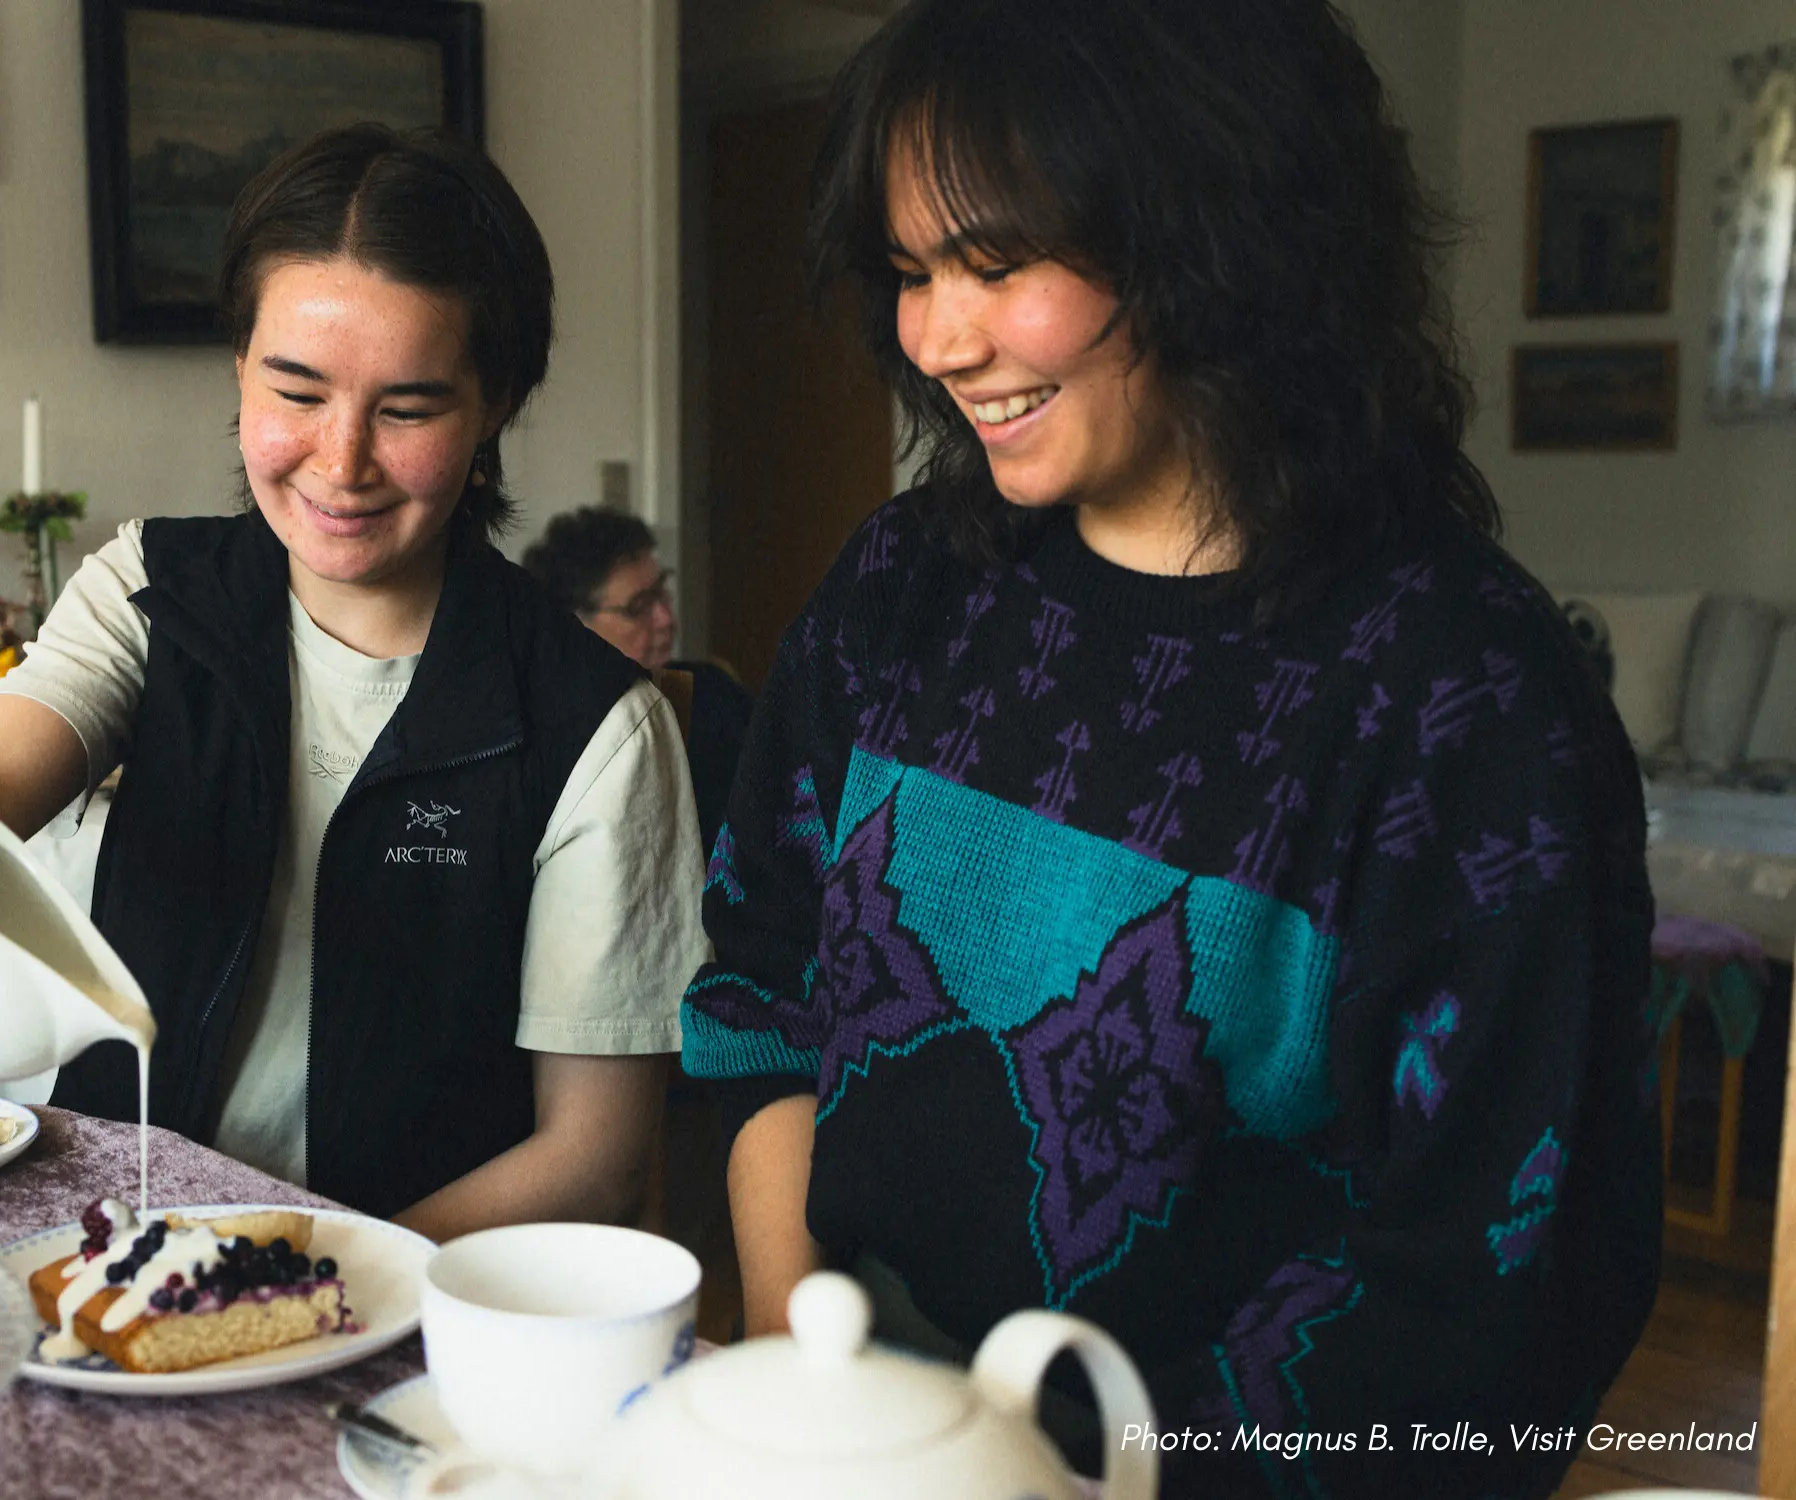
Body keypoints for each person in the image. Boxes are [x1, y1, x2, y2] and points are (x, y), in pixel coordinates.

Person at [680, 1, 1659, 1495]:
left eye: (998, 262)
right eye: (912, 272)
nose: (939, 340)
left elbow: (1485, 1294)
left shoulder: (1464, 699)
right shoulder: (900, 585)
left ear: (1218, 231)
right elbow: (764, 987)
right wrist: (800, 1376)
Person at [0, 124, 706, 1241]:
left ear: (494, 407)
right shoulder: (150, 590)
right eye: (297, 391)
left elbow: (593, 1161)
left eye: (407, 409)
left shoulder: (597, 727)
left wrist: (299, 1273)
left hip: (400, 1288)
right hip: (103, 1252)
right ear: (240, 367)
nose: (341, 462)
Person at [522, 507, 753, 852]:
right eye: (639, 606)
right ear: (574, 626)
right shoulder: (543, 738)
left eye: (662, 593)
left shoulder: (715, 693)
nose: (665, 618)